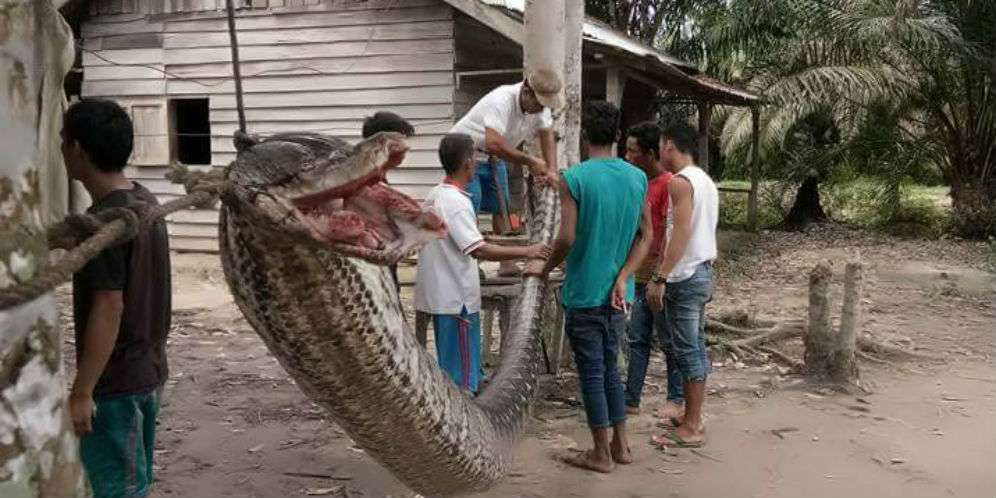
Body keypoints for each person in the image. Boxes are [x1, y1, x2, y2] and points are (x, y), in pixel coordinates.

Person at [526, 101, 653, 473]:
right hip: (619, 293)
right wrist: (625, 276)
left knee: (593, 372)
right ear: (617, 136)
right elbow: (647, 236)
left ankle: (599, 453)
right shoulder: (636, 177)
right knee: (611, 368)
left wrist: (546, 267)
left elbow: (565, 237)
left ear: (584, 135)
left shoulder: (575, 177)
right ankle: (621, 445)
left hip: (584, 291)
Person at [61, 99, 172, 498]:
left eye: (62, 140)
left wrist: (82, 390)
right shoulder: (144, 201)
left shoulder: (108, 222)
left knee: (116, 488)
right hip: (150, 370)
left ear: (77, 150)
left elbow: (110, 305)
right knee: (133, 481)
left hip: (117, 382)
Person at [415, 133, 549, 393]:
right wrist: (528, 250)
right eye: (475, 159)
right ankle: (465, 410)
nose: (477, 164)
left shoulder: (436, 194)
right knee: (462, 376)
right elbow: (479, 251)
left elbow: (462, 240)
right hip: (456, 298)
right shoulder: (455, 202)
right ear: (467, 163)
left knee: (457, 364)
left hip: (441, 293)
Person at [646, 123, 719, 448]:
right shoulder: (704, 181)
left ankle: (692, 425)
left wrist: (661, 276)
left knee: (687, 350)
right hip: (701, 270)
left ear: (670, 145)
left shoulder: (680, 182)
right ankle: (691, 414)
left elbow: (681, 233)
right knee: (694, 346)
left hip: (686, 275)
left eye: (661, 145)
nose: (659, 152)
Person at [449, 68, 561, 276]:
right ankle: (470, 265)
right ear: (526, 91)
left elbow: (547, 135)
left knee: (503, 208)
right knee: (469, 207)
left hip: (495, 157)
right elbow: (493, 143)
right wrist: (529, 161)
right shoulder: (501, 100)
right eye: (537, 103)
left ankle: (506, 262)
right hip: (465, 155)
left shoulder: (540, 108)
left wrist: (551, 169)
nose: (539, 109)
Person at [620, 122, 683, 419]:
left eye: (633, 151)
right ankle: (631, 398)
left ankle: (676, 398)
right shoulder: (637, 182)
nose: (628, 156)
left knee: (669, 341)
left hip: (659, 277)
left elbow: (670, 232)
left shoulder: (669, 184)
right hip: (638, 273)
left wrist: (661, 277)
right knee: (637, 338)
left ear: (649, 153)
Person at [360, 111, 416, 295]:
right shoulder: (363, 177)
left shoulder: (378, 174)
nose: (406, 147)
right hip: (371, 271)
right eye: (401, 140)